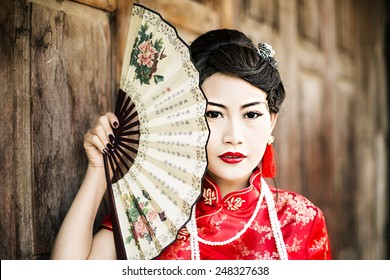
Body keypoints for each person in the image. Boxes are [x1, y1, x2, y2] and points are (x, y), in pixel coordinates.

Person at [50, 29, 331, 260]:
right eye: (213, 114)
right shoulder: (154, 211)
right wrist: (99, 170)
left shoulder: (300, 220)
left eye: (251, 114)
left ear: (271, 121)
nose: (234, 135)